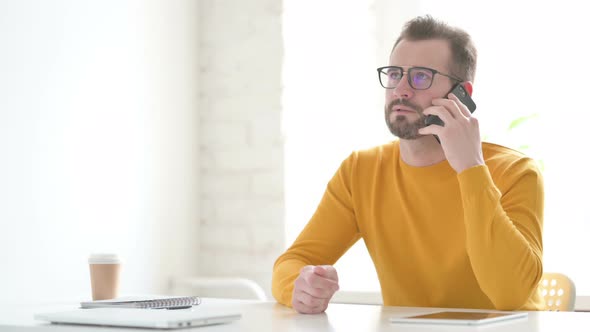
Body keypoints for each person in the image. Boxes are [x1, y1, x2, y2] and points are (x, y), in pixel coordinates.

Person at [272, 15, 544, 314]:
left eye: (420, 77)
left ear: (461, 94)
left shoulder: (515, 172)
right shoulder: (361, 171)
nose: (401, 89)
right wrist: (300, 286)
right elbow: (293, 262)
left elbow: (511, 295)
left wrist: (470, 168)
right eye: (394, 74)